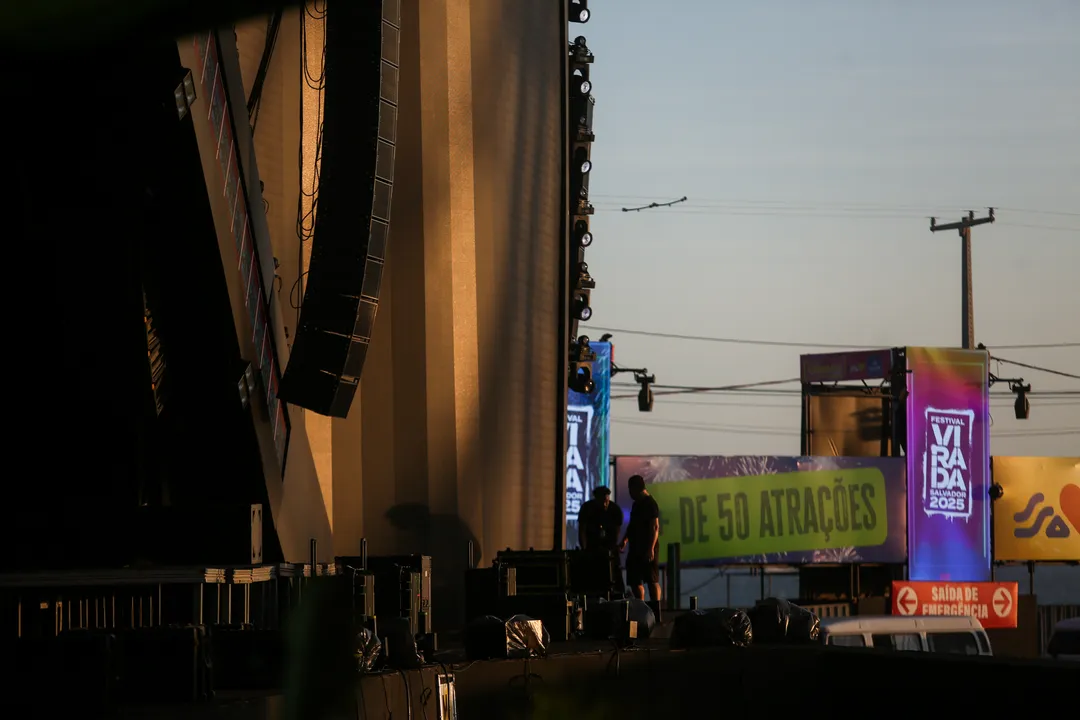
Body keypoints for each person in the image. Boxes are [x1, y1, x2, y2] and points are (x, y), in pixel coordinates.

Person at [619, 474, 661, 602]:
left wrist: (651, 548)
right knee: (634, 580)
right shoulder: (636, 505)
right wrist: (625, 540)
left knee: (651, 580)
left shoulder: (650, 504)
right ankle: (641, 607)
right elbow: (632, 525)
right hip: (635, 547)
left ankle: (655, 609)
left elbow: (655, 528)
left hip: (647, 547)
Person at [578, 486, 625, 595]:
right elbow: (582, 530)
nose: (605, 504)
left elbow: (617, 532)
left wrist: (613, 548)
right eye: (602, 501)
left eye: (606, 501)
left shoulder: (615, 510)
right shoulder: (587, 508)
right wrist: (584, 549)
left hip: (609, 547)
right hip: (592, 546)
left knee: (615, 575)